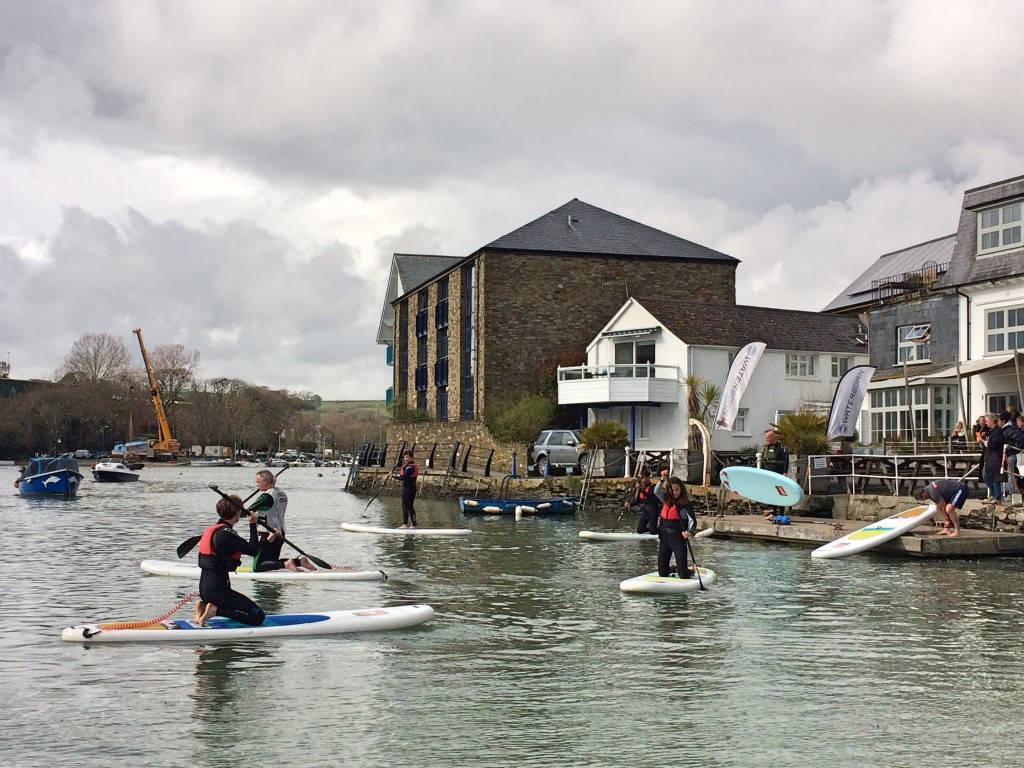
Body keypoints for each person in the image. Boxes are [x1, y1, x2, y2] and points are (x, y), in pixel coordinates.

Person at [193, 495, 268, 626]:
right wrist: (252, 524)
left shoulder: (213, 530)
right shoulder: (227, 533)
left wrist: (267, 540)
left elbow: (248, 547)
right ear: (237, 513)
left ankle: (203, 606)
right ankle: (214, 610)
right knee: (258, 616)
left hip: (205, 589)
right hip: (219, 591)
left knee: (237, 608)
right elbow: (253, 550)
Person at [248, 469, 315, 572]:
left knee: (257, 567)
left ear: (265, 482)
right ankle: (300, 562)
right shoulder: (282, 494)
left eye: (258, 482)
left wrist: (234, 511)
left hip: (267, 534)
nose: (257, 485)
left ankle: (286, 564)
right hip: (281, 533)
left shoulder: (266, 497)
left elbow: (249, 511)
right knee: (272, 561)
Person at [653, 474, 697, 578]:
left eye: (677, 490)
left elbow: (693, 522)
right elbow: (656, 491)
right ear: (668, 491)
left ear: (681, 489)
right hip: (665, 538)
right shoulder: (665, 500)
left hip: (678, 539)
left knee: (683, 575)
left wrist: (689, 532)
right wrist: (662, 479)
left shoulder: (685, 504)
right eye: (672, 490)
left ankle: (690, 571)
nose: (675, 492)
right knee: (662, 573)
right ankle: (674, 569)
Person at [760, 429, 790, 519]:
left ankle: (781, 512)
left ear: (773, 437)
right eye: (766, 438)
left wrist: (785, 472)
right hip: (768, 473)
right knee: (770, 492)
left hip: (778, 473)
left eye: (768, 437)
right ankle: (773, 511)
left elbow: (785, 460)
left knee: (779, 492)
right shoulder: (766, 447)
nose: (767, 439)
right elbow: (763, 460)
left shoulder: (781, 447)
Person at [624, 470, 660, 535]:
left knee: (653, 532)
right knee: (640, 531)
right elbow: (638, 501)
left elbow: (650, 497)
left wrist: (640, 489)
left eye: (643, 478)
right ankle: (652, 529)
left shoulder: (653, 487)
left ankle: (660, 530)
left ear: (648, 478)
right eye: (641, 479)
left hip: (653, 512)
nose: (642, 480)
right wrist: (630, 504)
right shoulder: (641, 488)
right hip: (645, 512)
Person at [998, 411, 1024, 497]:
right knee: (1010, 473)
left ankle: (1013, 493)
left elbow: (1020, 438)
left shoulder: (1008, 429)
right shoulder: (1008, 429)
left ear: (1003, 421)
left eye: (999, 421)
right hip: (1009, 453)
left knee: (1011, 474)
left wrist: (1017, 447)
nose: (998, 422)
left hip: (1011, 453)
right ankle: (1012, 492)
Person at [982, 413, 1006, 504]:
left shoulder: (998, 431)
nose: (986, 423)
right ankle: (994, 494)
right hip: (990, 457)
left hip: (995, 457)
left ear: (992, 421)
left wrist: (984, 441)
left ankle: (997, 497)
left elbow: (994, 443)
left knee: (995, 477)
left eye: (987, 421)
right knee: (986, 475)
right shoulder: (991, 431)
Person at [393, 450, 419, 528]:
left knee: (407, 506)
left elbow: (403, 477)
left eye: (407, 457)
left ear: (411, 457)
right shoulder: (408, 466)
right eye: (405, 457)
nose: (406, 459)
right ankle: (409, 524)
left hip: (410, 488)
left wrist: (392, 476)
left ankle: (410, 524)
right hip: (408, 488)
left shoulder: (410, 467)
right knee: (407, 506)